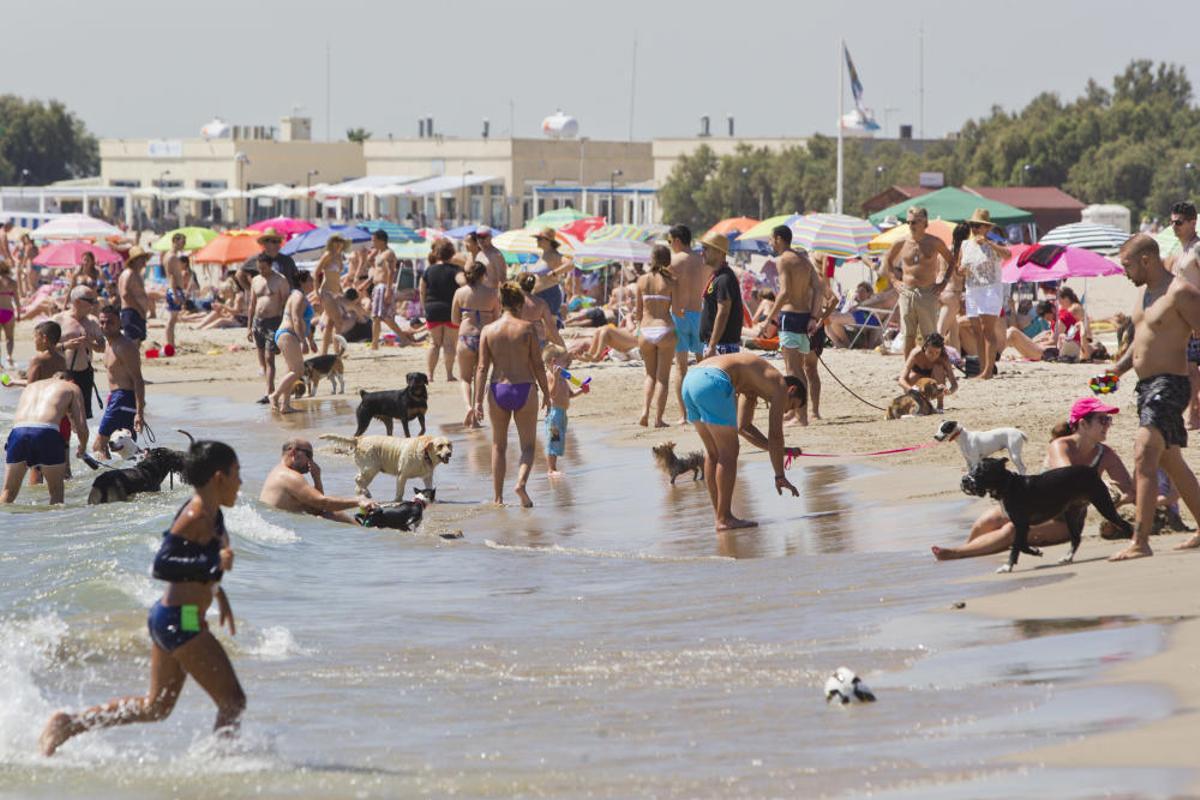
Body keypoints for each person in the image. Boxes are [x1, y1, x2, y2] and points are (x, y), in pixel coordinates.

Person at [39, 439, 245, 756]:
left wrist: (219, 593)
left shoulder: (213, 514)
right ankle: (224, 765)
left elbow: (196, 569)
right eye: (237, 474)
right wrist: (212, 562)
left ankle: (70, 724)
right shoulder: (196, 514)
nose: (241, 482)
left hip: (181, 616)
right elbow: (162, 563)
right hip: (179, 619)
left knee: (156, 707)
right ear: (219, 477)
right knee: (233, 701)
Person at [932, 397, 1133, 560]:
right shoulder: (1061, 446)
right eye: (1102, 420)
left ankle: (957, 553)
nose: (1108, 425)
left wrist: (1113, 501)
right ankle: (972, 554)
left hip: (1061, 518)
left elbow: (1129, 491)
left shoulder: (1106, 455)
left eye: (1109, 420)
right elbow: (1067, 475)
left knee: (1012, 530)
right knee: (986, 521)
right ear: (1083, 424)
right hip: (1029, 503)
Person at [1105, 234, 1200, 559]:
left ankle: (1140, 541)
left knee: (1144, 452)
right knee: (1170, 461)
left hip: (1170, 385)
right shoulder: (1144, 294)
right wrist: (1116, 371)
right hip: (1146, 387)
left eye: (1127, 265)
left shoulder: (1180, 293)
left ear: (1146, 260)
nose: (1125, 272)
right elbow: (1141, 341)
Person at [679, 351, 802, 529]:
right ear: (792, 390)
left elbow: (744, 428)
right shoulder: (780, 386)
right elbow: (775, 435)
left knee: (713, 453)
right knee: (729, 453)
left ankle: (720, 516)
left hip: (691, 380)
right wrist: (780, 475)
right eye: (792, 406)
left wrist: (783, 451)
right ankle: (724, 517)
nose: (786, 411)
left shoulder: (753, 385)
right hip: (712, 380)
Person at [474, 281, 551, 508]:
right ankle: (520, 484)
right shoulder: (527, 328)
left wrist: (477, 402)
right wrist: (547, 393)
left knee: (498, 446)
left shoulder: (488, 330)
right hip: (524, 387)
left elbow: (481, 368)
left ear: (500, 303)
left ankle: (498, 499)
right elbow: (538, 364)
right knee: (528, 447)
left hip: (498, 389)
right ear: (520, 304)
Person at [763, 225, 824, 422]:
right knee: (800, 370)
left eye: (771, 239)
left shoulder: (783, 260)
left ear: (779, 239)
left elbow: (784, 292)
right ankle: (800, 413)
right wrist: (814, 317)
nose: (770, 243)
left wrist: (769, 318)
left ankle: (801, 416)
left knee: (793, 369)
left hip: (789, 317)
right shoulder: (805, 260)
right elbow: (819, 289)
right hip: (805, 318)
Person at [1, 371, 87, 504]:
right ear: (69, 380)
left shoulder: (32, 386)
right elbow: (82, 428)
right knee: (56, 493)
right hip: (46, 432)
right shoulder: (71, 387)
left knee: (8, 493)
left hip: (18, 432)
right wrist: (82, 448)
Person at [883, 206, 955, 357]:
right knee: (908, 335)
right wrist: (894, 281)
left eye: (915, 222)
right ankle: (908, 367)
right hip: (907, 291)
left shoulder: (934, 242)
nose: (911, 225)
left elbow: (951, 261)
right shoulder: (901, 242)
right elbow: (887, 260)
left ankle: (928, 367)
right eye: (908, 222)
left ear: (924, 222)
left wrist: (943, 282)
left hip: (927, 292)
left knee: (929, 336)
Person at [259, 439, 373, 523]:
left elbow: (316, 508)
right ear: (293, 453)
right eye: (309, 455)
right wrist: (358, 501)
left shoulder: (279, 471)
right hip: (279, 528)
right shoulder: (289, 476)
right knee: (330, 515)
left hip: (278, 524)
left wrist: (316, 478)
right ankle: (364, 532)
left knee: (327, 514)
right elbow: (323, 503)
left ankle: (361, 527)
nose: (311, 461)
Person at [959, 209, 1011, 379]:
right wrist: (961, 270)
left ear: (986, 228)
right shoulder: (965, 245)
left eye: (977, 225)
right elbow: (960, 269)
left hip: (990, 289)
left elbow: (1008, 255)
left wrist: (988, 243)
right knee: (977, 331)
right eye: (972, 225)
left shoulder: (993, 244)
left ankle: (988, 370)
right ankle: (983, 369)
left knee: (987, 330)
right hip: (972, 289)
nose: (974, 229)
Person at [1164, 202, 1200, 428]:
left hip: (1195, 317)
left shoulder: (1197, 248)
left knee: (1191, 368)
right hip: (1182, 319)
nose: (1174, 226)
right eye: (1171, 222)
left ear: (1192, 222)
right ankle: (1194, 412)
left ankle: (1193, 414)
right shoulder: (1179, 251)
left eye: (1178, 222)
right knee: (1188, 367)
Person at [94, 304, 146, 459]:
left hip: (123, 398)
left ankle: (104, 474)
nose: (105, 326)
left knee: (99, 445)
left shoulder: (126, 346)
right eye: (102, 322)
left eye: (110, 322)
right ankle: (135, 471)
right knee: (128, 450)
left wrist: (140, 413)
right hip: (117, 398)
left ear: (120, 323)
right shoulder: (109, 344)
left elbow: (138, 380)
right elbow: (98, 348)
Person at [452, 261, 500, 427]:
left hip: (466, 336)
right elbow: (496, 319)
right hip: (485, 337)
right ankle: (477, 411)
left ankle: (468, 408)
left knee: (465, 378)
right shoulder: (492, 293)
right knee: (481, 374)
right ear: (483, 275)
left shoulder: (460, 292)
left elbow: (454, 319)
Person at [634, 244, 677, 428]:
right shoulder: (671, 281)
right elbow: (677, 309)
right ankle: (658, 419)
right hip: (664, 328)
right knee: (663, 379)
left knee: (649, 376)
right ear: (668, 260)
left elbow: (638, 312)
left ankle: (644, 412)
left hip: (646, 330)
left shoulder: (642, 280)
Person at [668, 224, 706, 424]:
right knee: (703, 364)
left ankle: (684, 415)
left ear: (677, 240)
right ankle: (703, 410)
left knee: (680, 367)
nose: (670, 245)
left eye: (670, 241)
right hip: (698, 313)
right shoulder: (702, 260)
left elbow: (664, 288)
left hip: (678, 314)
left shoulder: (674, 261)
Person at [54, 286, 106, 421]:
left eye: (94, 300)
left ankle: (81, 436)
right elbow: (45, 348)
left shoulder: (93, 321)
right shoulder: (58, 320)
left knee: (82, 417)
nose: (94, 304)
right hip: (62, 373)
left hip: (85, 373)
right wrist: (66, 345)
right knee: (61, 415)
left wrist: (89, 343)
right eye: (90, 301)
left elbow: (102, 347)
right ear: (77, 301)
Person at [268, 271, 316, 413]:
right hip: (288, 334)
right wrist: (303, 341)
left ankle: (285, 405)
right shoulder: (298, 296)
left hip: (289, 335)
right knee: (298, 371)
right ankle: (275, 395)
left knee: (291, 371)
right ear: (302, 282)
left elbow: (305, 321)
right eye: (310, 280)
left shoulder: (300, 296)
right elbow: (296, 319)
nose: (313, 282)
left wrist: (310, 340)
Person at [246, 251, 290, 405]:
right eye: (259, 268)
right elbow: (252, 304)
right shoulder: (256, 280)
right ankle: (269, 389)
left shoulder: (280, 280)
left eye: (264, 268)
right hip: (258, 323)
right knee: (262, 360)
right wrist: (249, 326)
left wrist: (285, 324)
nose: (261, 271)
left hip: (274, 321)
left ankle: (270, 392)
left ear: (271, 265)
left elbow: (287, 304)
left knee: (269, 357)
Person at [542, 343, 588, 476]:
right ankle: (551, 469)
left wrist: (582, 390)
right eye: (564, 361)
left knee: (558, 440)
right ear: (554, 362)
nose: (567, 363)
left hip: (562, 413)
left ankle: (554, 467)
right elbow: (551, 394)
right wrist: (556, 378)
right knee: (553, 440)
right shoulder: (550, 376)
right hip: (553, 414)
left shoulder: (562, 377)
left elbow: (570, 394)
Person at [420, 238, 461, 382]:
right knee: (449, 344)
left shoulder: (429, 270)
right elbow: (463, 283)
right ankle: (449, 375)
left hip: (433, 309)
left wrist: (425, 307)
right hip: (451, 310)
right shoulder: (456, 270)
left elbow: (422, 290)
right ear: (452, 253)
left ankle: (430, 375)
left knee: (434, 343)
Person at [697, 232, 743, 359]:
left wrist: (712, 345)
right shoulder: (719, 276)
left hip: (721, 346)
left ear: (719, 252)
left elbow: (723, 312)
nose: (701, 253)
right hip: (718, 345)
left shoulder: (724, 278)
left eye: (705, 249)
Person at [897, 332, 957, 411]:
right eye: (930, 352)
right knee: (911, 377)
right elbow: (901, 379)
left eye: (937, 353)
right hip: (918, 383)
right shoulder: (916, 354)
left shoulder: (943, 358)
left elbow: (954, 384)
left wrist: (948, 391)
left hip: (934, 385)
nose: (934, 356)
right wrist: (911, 390)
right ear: (925, 347)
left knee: (938, 368)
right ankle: (913, 402)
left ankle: (940, 405)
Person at [366, 230, 405, 350]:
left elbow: (391, 272)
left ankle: (375, 344)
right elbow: (374, 267)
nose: (372, 243)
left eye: (374, 240)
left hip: (383, 287)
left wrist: (388, 290)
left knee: (378, 317)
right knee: (383, 317)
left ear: (381, 241)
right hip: (378, 287)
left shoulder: (388, 254)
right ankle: (404, 339)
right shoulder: (380, 253)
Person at [529, 227, 573, 328]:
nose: (537, 241)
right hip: (538, 295)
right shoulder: (543, 255)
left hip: (549, 293)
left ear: (548, 241)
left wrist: (554, 273)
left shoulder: (554, 255)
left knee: (549, 329)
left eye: (539, 239)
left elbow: (570, 264)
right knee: (540, 328)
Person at [314, 234, 349, 355]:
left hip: (335, 292)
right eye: (336, 241)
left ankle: (323, 352)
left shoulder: (339, 256)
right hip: (326, 292)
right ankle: (337, 351)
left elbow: (336, 277)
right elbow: (316, 273)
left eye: (340, 242)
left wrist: (341, 290)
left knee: (330, 324)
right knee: (338, 320)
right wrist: (316, 291)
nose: (338, 244)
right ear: (331, 243)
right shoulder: (328, 254)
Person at [937, 222, 969, 348]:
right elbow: (961, 273)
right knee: (940, 332)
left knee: (954, 330)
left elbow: (937, 271)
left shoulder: (945, 250)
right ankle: (931, 357)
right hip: (952, 293)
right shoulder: (963, 252)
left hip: (939, 290)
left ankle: (956, 357)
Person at [517, 272, 564, 347]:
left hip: (519, 340)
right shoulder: (541, 303)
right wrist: (563, 347)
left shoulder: (514, 302)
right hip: (538, 341)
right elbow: (551, 327)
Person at [117, 247, 151, 344]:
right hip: (132, 312)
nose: (144, 261)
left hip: (136, 313)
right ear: (135, 260)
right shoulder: (129, 273)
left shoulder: (136, 273)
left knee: (137, 341)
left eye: (144, 258)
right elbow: (125, 294)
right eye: (141, 258)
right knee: (133, 343)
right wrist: (139, 309)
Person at [163, 232, 188, 354]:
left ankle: (171, 345)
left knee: (173, 320)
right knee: (171, 320)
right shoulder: (172, 257)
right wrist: (175, 294)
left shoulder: (168, 255)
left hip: (174, 289)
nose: (184, 245)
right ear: (175, 241)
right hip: (174, 289)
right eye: (182, 242)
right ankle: (169, 346)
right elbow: (172, 276)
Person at [1054, 286, 1091, 361]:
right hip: (1080, 339)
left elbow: (1063, 322)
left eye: (1059, 299)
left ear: (1066, 298)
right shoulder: (1073, 307)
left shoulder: (1074, 308)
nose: (1058, 302)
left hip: (1082, 341)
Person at [0, 261, 18, 367]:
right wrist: (19, 314)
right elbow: (17, 300)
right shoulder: (12, 282)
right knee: (10, 338)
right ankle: (9, 356)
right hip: (8, 312)